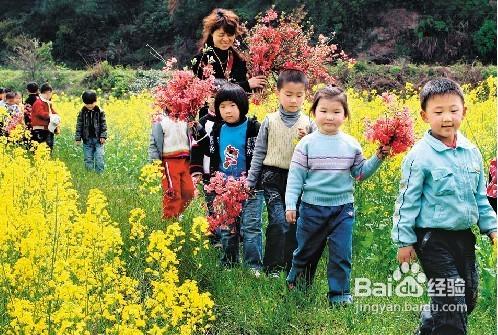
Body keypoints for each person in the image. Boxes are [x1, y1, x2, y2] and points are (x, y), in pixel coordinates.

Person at [392, 78, 496, 335]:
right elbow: (407, 201)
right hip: (431, 239)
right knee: (452, 303)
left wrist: (493, 230)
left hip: (463, 237)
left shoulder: (471, 152)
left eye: (453, 110)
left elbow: (480, 198)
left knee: (467, 299)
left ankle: (428, 327)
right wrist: (404, 241)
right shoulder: (419, 156)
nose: (446, 117)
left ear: (464, 112)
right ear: (425, 115)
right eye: (438, 112)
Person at [285, 86, 389, 304]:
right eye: (323, 111)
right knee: (306, 250)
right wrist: (290, 205)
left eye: (336, 112)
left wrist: (378, 157)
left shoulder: (351, 144)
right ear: (314, 113)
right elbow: (295, 177)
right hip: (312, 208)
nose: (329, 117)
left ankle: (340, 295)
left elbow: (359, 173)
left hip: (343, 209)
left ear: (345, 115)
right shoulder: (306, 144)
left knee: (342, 254)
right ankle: (298, 283)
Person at [246, 69, 316, 276]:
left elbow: (315, 155)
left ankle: (289, 265)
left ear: (305, 95)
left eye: (299, 95)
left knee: (294, 223)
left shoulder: (309, 125)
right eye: (288, 94)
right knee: (278, 221)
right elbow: (259, 152)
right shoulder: (269, 120)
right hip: (271, 177)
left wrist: (309, 138)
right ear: (278, 93)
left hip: (298, 179)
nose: (294, 100)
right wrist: (251, 182)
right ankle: (272, 267)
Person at [201, 83, 264, 270]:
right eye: (222, 107)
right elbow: (211, 155)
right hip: (225, 188)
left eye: (232, 106)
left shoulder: (253, 127)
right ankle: (229, 263)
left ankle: (253, 267)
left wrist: (252, 181)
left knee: (250, 228)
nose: (227, 111)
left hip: (251, 187)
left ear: (242, 106)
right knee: (227, 228)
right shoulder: (217, 129)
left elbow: (260, 157)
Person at [191, 8, 266, 118]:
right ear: (212, 33)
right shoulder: (200, 60)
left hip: (235, 118)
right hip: (210, 117)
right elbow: (209, 90)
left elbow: (241, 96)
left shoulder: (239, 60)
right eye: (221, 35)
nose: (226, 39)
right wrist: (247, 85)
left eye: (230, 35)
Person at [148, 109, 207, 219]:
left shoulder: (186, 117)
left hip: (185, 161)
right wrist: (154, 162)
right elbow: (154, 143)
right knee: (172, 193)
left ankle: (176, 214)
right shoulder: (160, 120)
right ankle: (169, 219)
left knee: (189, 192)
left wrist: (194, 126)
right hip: (169, 162)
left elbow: (195, 134)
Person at [75, 90, 108, 173]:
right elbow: (79, 125)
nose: (89, 106)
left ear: (96, 101)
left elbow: (103, 125)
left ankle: (100, 174)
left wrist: (103, 136)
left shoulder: (100, 112)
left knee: (99, 157)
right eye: (87, 104)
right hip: (87, 140)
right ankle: (89, 174)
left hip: (98, 140)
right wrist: (78, 138)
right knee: (88, 158)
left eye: (91, 104)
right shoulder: (82, 112)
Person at [31, 83, 60, 150]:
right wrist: (51, 116)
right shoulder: (39, 102)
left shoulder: (47, 102)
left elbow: (52, 111)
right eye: (51, 93)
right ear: (48, 92)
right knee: (42, 148)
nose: (51, 95)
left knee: (49, 147)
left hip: (48, 128)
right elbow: (40, 113)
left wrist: (56, 115)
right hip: (41, 129)